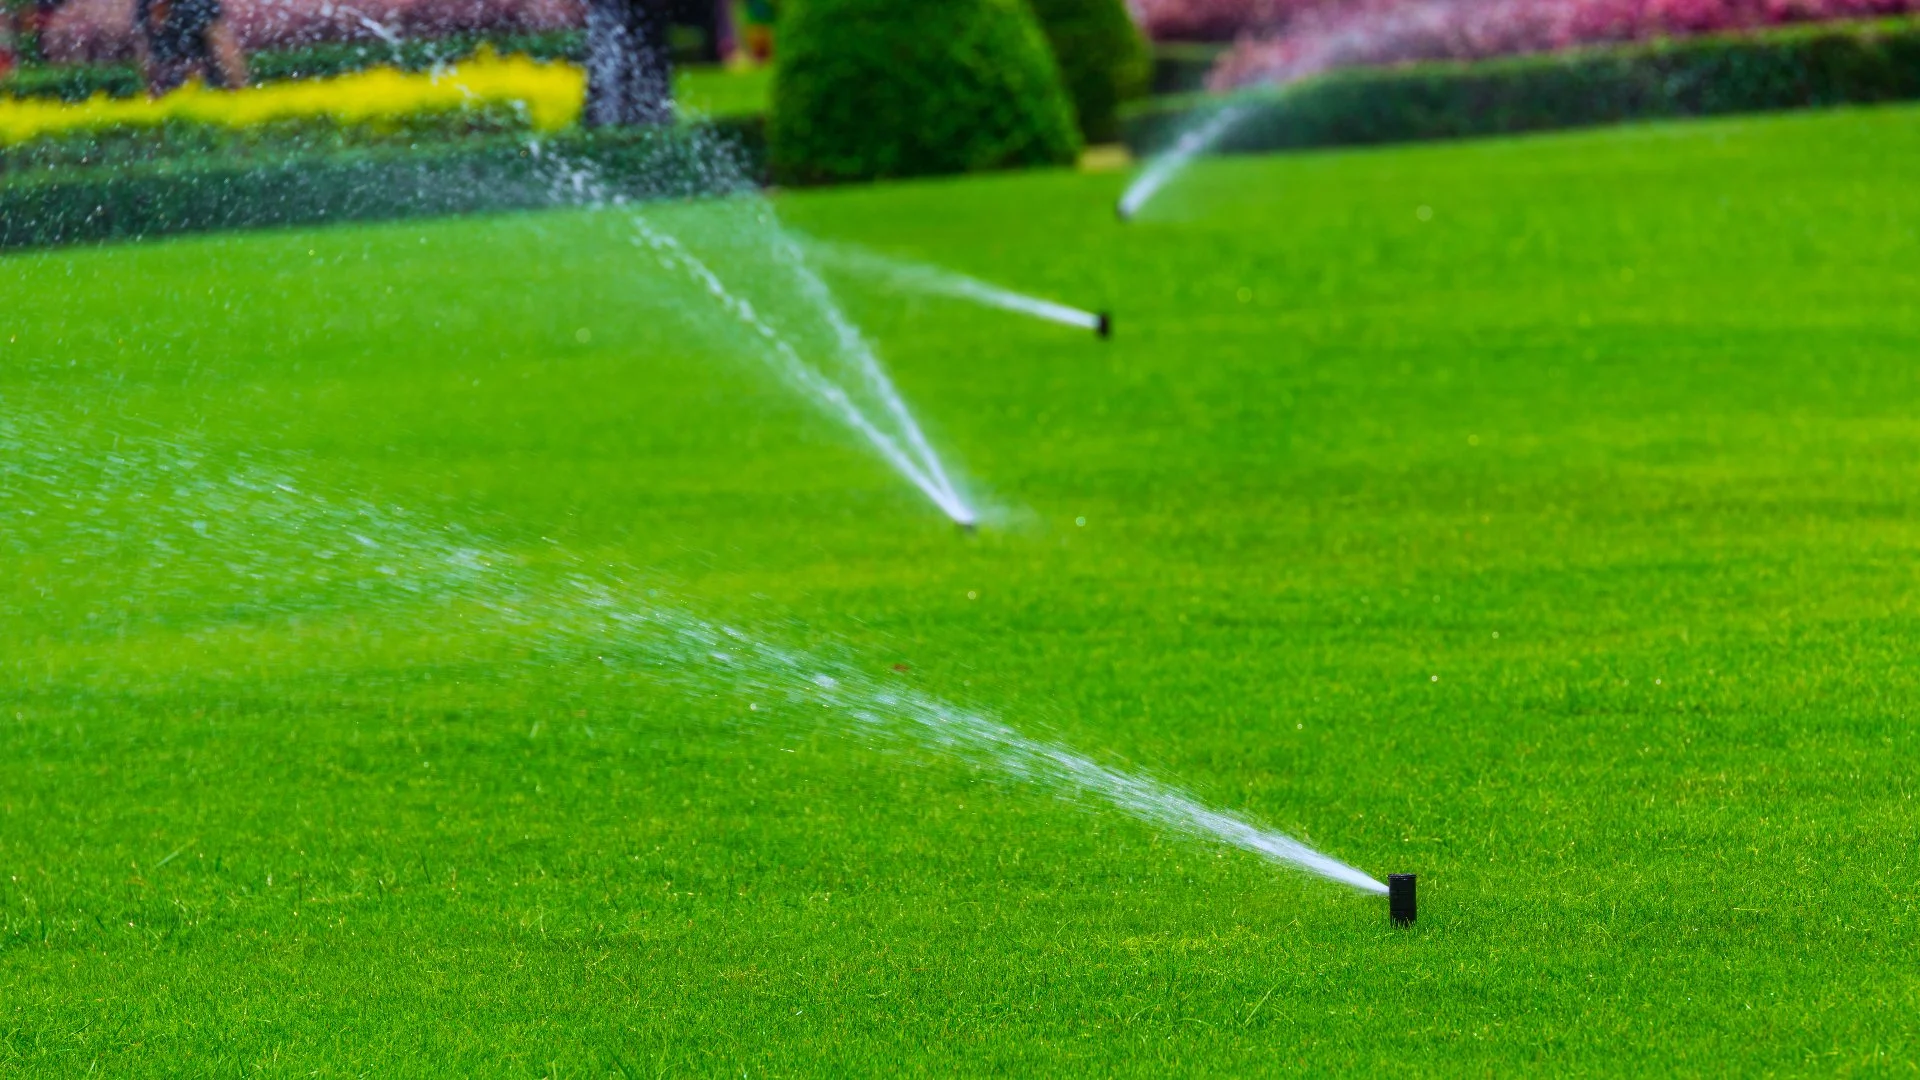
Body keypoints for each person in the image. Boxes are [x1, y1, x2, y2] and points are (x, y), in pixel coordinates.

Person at [134, 0, 247, 96]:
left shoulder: (197, 4)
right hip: (200, 93)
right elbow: (225, 50)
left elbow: (144, 55)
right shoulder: (197, 4)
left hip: (192, 91)